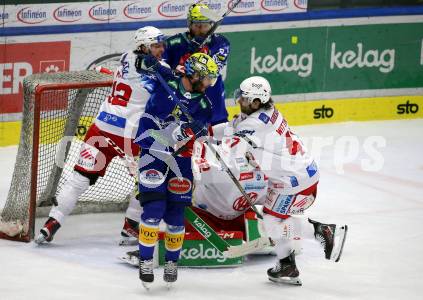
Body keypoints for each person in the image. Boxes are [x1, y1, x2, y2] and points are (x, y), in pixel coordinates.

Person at [191, 76, 348, 285]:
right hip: (294, 177)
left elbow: (232, 145)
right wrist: (204, 132)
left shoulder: (256, 124)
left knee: (272, 223)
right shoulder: (259, 115)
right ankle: (287, 266)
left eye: (244, 98)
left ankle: (322, 231)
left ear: (256, 102)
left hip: (295, 182)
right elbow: (231, 128)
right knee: (273, 219)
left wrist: (204, 139)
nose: (239, 101)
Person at [35, 26, 171, 245]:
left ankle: (50, 224)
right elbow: (168, 80)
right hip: (129, 135)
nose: (161, 49)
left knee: (80, 178)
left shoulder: (126, 58)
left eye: (161, 44)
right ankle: (130, 227)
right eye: (156, 45)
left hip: (101, 127)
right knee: (148, 179)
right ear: (143, 46)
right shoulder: (153, 66)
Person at [134, 52, 218, 289]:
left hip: (181, 159)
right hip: (152, 151)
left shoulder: (203, 105)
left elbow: (200, 132)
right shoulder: (166, 80)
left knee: (175, 217)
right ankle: (146, 260)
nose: (210, 83)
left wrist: (195, 129)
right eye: (207, 78)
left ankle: (172, 263)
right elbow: (140, 64)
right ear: (195, 75)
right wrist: (147, 61)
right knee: (153, 210)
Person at [163, 3, 230, 125]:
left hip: (211, 96)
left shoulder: (220, 43)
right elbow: (160, 67)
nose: (201, 30)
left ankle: (217, 126)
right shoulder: (173, 43)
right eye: (197, 25)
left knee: (219, 134)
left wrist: (202, 51)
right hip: (182, 98)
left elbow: (212, 70)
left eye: (205, 25)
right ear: (189, 23)